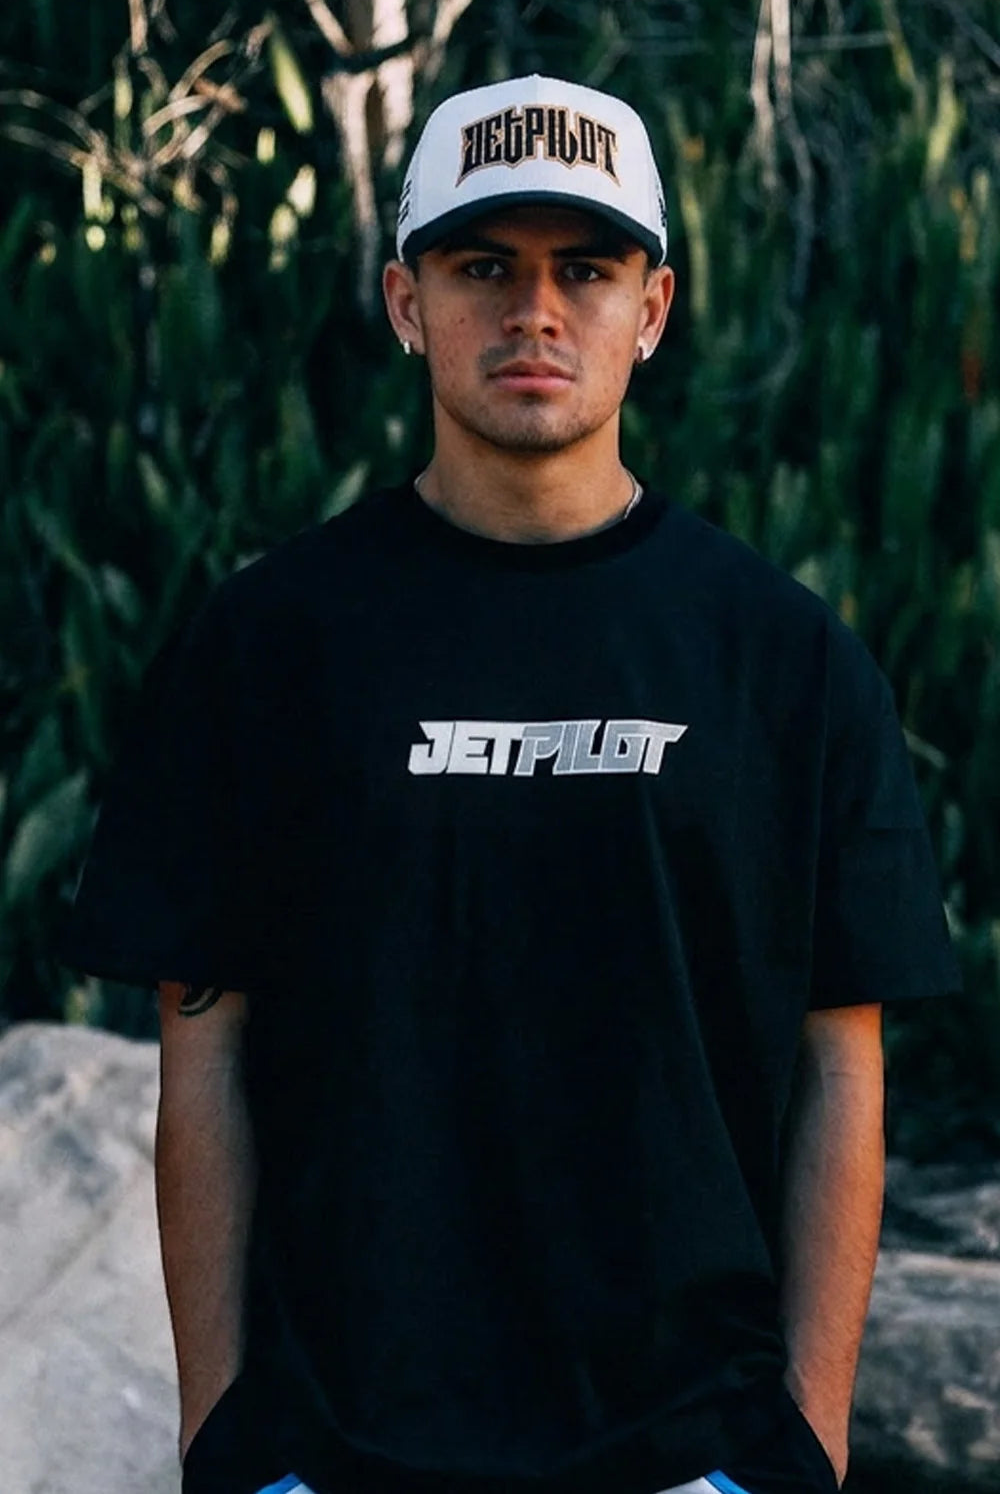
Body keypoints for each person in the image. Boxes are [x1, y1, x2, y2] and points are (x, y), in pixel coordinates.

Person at [57, 73, 961, 1494]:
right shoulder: (267, 645)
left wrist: (806, 1443)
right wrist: (227, 1443)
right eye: (483, 267)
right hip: (338, 1452)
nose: (535, 311)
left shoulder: (785, 661)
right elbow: (204, 1043)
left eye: (584, 269)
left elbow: (840, 1060)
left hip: (693, 1451)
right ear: (406, 302)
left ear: (652, 308)